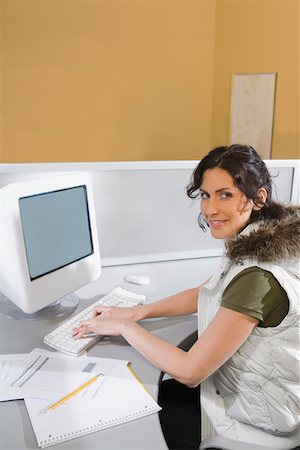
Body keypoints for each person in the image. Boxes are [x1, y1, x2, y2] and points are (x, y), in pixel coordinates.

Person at [72, 145, 300, 449]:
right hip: (263, 390)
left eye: (225, 194)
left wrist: (127, 328)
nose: (210, 209)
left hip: (260, 414)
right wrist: (140, 312)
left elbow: (191, 373)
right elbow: (209, 291)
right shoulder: (264, 239)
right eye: (205, 195)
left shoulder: (257, 277)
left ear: (258, 198)